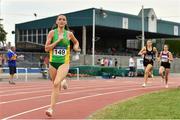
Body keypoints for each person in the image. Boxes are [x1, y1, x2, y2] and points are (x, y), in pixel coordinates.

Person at [44, 14, 80, 117]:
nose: (61, 21)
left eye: (64, 19)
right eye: (60, 19)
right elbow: (46, 48)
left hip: (64, 62)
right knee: (56, 85)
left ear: (66, 22)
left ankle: (50, 108)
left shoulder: (69, 34)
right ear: (56, 22)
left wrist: (76, 47)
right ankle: (63, 80)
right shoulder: (52, 33)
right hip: (52, 63)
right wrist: (58, 40)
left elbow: (76, 42)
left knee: (56, 84)